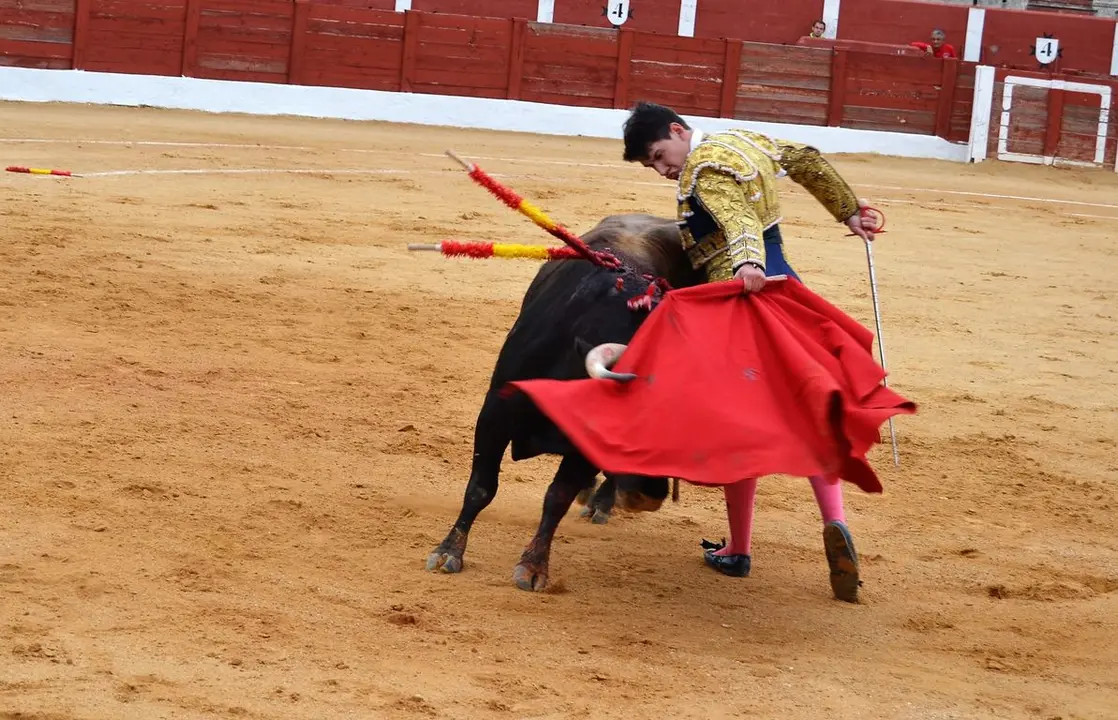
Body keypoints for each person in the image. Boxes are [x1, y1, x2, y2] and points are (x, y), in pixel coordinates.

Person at [620, 101, 878, 602]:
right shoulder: (744, 140)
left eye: (658, 154)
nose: (662, 168)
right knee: (805, 409)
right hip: (789, 290)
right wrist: (849, 211)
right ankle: (836, 522)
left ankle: (738, 549)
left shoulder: (702, 167)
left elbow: (736, 217)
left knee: (736, 425)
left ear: (678, 130)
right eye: (652, 164)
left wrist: (745, 262)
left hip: (741, 300)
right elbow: (805, 159)